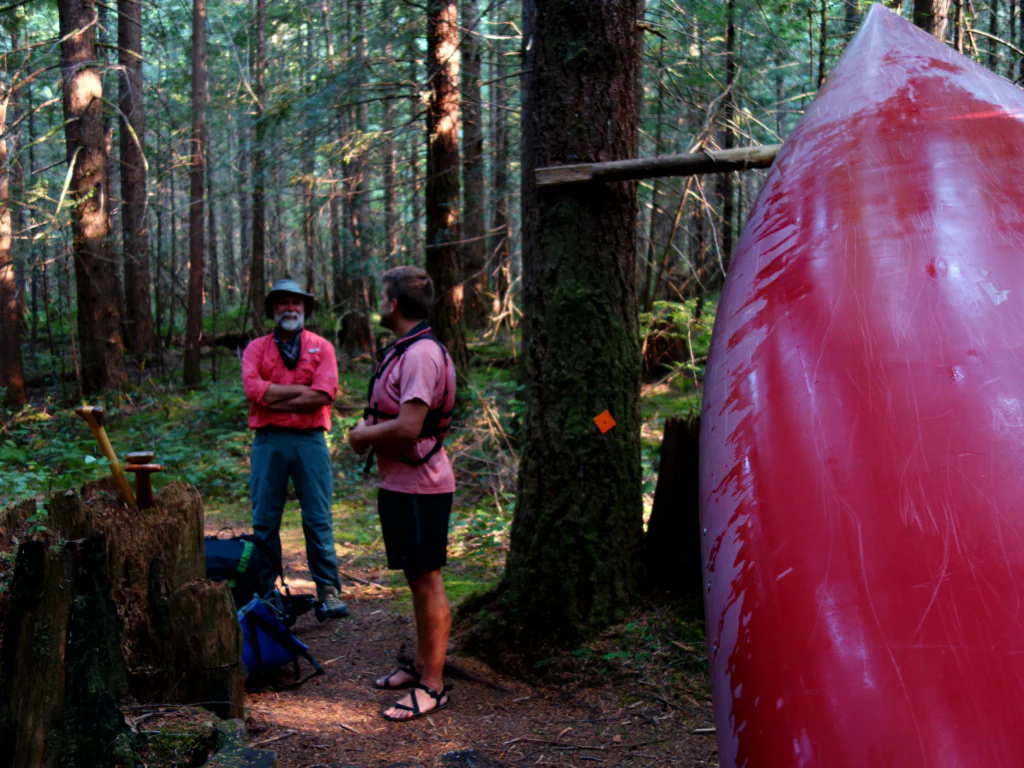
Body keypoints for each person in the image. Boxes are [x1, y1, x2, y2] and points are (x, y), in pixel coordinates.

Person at [347, 266, 457, 721]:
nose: (378, 304)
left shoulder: (421, 354)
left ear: (393, 304)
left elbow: (411, 427)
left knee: (427, 578)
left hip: (422, 486)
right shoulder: (408, 349)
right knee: (416, 576)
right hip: (401, 485)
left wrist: (361, 436)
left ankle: (433, 684)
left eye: (381, 297)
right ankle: (420, 666)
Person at [242, 279, 348, 619]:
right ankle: (265, 591)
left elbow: (324, 394)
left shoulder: (322, 347)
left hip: (310, 441)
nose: (290, 308)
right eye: (283, 303)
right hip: (268, 441)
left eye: (296, 303)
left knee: (318, 517)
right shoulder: (256, 349)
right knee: (264, 521)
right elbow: (253, 390)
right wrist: (301, 390)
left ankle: (328, 589)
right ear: (274, 310)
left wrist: (274, 393)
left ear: (305, 309)